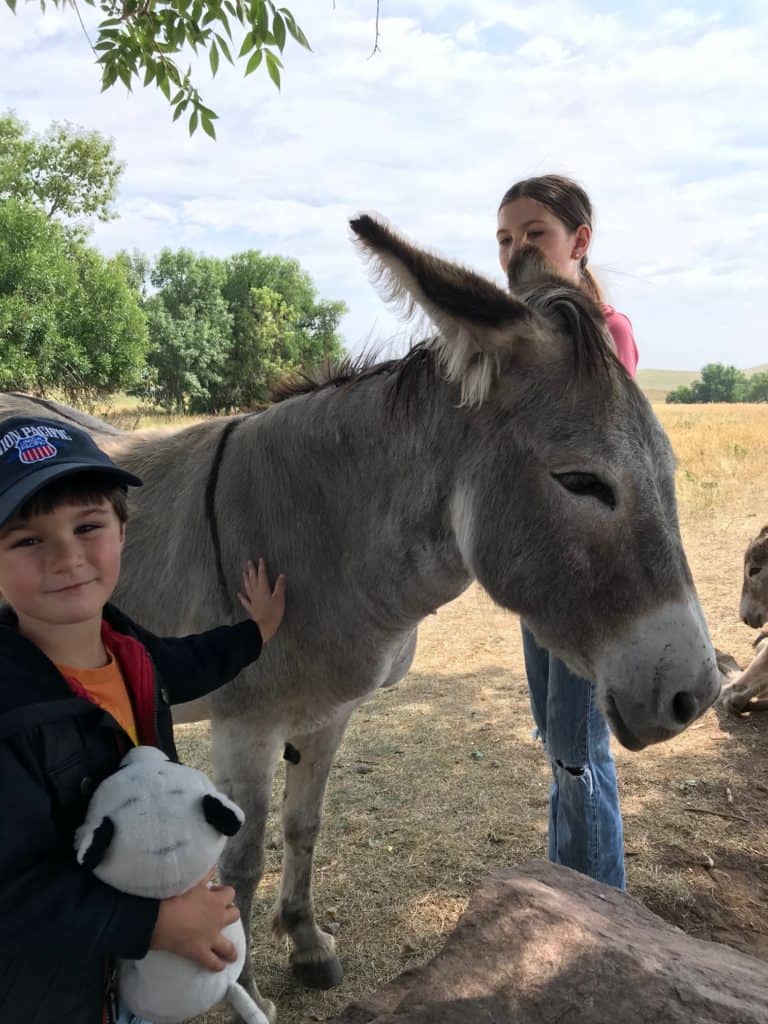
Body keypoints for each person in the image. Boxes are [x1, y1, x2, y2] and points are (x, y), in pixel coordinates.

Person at [0, 415, 287, 1024]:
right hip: (52, 996)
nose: (67, 557)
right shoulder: (10, 710)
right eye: (27, 539)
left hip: (128, 975)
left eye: (88, 526)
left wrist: (254, 633)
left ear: (123, 532)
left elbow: (184, 664)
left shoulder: (124, 646)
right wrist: (155, 923)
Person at [495, 174, 639, 889]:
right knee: (559, 744)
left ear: (579, 242)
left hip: (586, 583)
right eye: (505, 239)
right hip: (540, 581)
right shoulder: (524, 342)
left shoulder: (605, 336)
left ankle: (598, 913)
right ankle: (568, 894)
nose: (517, 250)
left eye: (534, 235)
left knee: (580, 751)